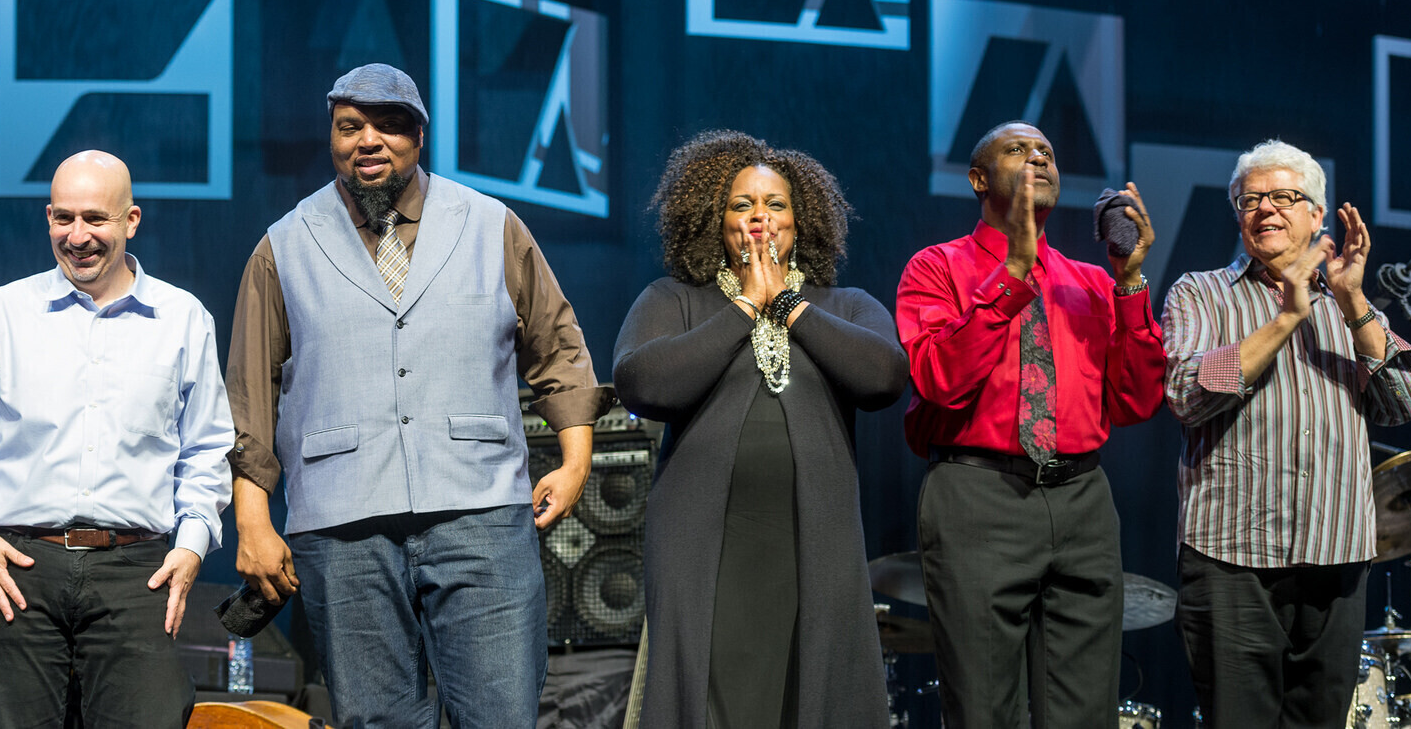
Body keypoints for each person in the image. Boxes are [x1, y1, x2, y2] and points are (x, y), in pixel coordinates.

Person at [225, 63, 610, 728]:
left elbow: (557, 345)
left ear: (420, 136)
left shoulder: (490, 224)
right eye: (350, 127)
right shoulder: (284, 246)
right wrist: (253, 521)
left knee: (500, 717)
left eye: (389, 125)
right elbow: (250, 391)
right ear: (332, 137)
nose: (368, 141)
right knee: (376, 720)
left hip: (480, 508)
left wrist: (576, 461)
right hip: (343, 520)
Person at [613, 129, 908, 728]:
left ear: (801, 222)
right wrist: (746, 306)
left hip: (814, 536)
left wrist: (788, 306)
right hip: (703, 538)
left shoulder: (845, 305)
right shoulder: (674, 299)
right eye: (741, 204)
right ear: (714, 220)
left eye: (775, 204)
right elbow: (641, 382)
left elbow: (885, 377)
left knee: (810, 689)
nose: (759, 217)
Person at [0, 150, 234, 726]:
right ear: (48, 217)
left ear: (131, 220)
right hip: (18, 566)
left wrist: (191, 546)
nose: (77, 236)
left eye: (95, 218)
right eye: (64, 218)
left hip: (138, 569)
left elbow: (207, 449)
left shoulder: (182, 318)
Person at [894, 120, 1165, 727]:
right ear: (978, 179)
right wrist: (1014, 271)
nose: (1038, 158)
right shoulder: (936, 267)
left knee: (1086, 715)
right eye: (1017, 150)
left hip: (1082, 500)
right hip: (978, 495)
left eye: (1046, 151)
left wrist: (1129, 284)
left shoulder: (1091, 283)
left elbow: (1137, 401)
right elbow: (940, 377)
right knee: (985, 710)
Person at [1162, 140, 1411, 727]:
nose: (1265, 208)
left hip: (1337, 555)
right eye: (1250, 200)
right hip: (1231, 558)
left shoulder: (1348, 305)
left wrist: (1353, 298)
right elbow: (1185, 393)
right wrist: (1288, 315)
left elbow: (1407, 400)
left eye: (1284, 197)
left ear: (1317, 216)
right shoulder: (1200, 292)